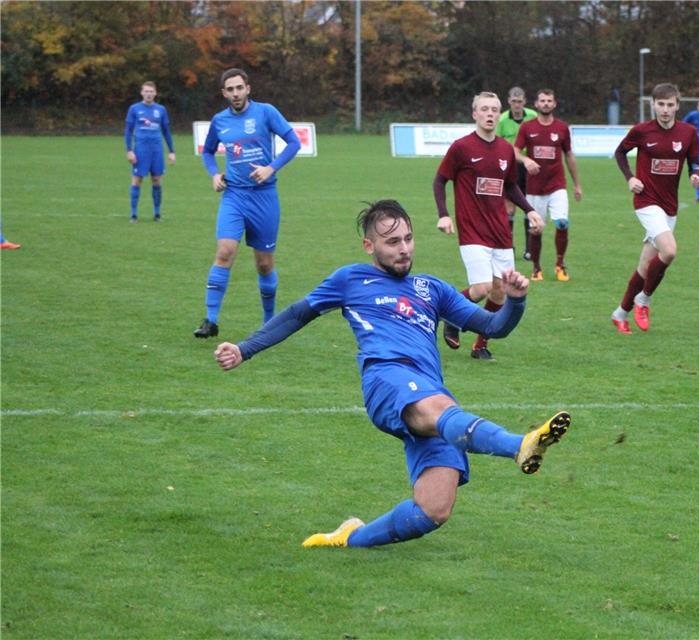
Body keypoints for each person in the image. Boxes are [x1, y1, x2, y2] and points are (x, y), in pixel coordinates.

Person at [213, 199, 571, 549]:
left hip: (428, 391)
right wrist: (245, 349)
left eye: (408, 239)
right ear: (370, 246)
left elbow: (494, 326)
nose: (403, 249)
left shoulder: (431, 289)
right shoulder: (350, 279)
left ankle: (350, 538)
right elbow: (296, 315)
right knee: (443, 411)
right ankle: (519, 446)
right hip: (387, 380)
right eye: (392, 242)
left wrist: (515, 300)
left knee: (433, 510)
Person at [434, 91, 544, 361]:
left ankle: (480, 344)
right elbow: (440, 180)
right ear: (475, 114)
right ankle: (451, 315)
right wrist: (444, 214)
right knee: (482, 287)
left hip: (501, 234)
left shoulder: (506, 150)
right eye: (484, 109)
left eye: (494, 109)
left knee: (501, 291)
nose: (490, 114)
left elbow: (510, 187)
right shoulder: (461, 147)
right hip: (472, 232)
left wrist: (529, 210)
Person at [194, 68, 302, 339]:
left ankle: (268, 323)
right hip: (234, 196)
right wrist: (214, 174)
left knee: (264, 264)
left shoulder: (266, 112)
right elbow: (207, 152)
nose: (235, 94)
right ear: (224, 93)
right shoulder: (220, 121)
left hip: (264, 197)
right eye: (229, 90)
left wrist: (271, 168)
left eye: (239, 88)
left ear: (248, 89)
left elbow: (293, 142)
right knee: (225, 252)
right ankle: (210, 320)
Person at [610, 83, 699, 335]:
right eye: (660, 104)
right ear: (653, 105)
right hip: (646, 201)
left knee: (644, 267)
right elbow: (620, 153)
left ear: (677, 106)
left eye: (670, 105)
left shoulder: (688, 132)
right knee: (669, 251)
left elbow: (694, 161)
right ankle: (644, 300)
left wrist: (696, 175)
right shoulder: (642, 131)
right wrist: (630, 177)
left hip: (669, 206)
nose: (665, 110)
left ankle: (619, 314)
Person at [514, 89, 583, 282]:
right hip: (534, 188)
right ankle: (536, 269)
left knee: (562, 223)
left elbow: (569, 155)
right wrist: (526, 160)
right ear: (536, 104)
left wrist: (577, 184)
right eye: (542, 101)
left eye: (549, 101)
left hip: (557, 186)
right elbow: (515, 151)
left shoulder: (562, 128)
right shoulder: (527, 128)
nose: (545, 104)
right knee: (536, 229)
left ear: (554, 104)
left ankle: (560, 265)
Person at [495, 86, 538, 260]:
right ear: (509, 102)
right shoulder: (502, 119)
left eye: (520, 102)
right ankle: (508, 246)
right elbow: (497, 143)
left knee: (528, 206)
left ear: (525, 102)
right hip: (509, 166)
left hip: (529, 167)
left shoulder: (533, 116)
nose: (517, 105)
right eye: (514, 101)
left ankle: (529, 250)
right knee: (509, 208)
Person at [124, 81, 176, 222]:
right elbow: (128, 131)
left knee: (157, 180)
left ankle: (157, 214)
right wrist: (129, 150)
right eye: (146, 91)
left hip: (156, 150)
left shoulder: (161, 110)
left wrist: (171, 151)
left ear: (155, 93)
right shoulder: (134, 109)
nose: (148, 94)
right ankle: (133, 214)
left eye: (151, 91)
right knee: (137, 180)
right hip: (140, 150)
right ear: (142, 93)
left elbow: (166, 131)